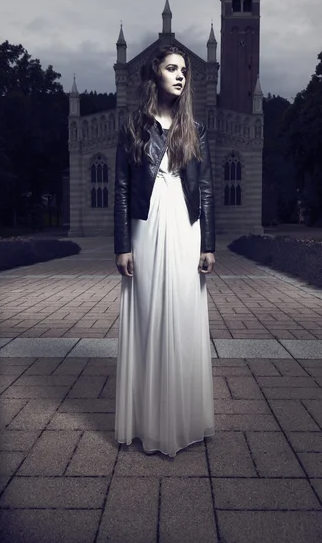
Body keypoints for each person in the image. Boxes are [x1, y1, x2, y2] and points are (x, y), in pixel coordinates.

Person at [114, 44, 215, 458]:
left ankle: (185, 419)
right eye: (172, 68)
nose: (180, 76)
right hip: (146, 223)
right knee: (149, 314)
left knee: (184, 314)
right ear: (154, 74)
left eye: (184, 70)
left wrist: (208, 244)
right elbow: (121, 189)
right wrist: (122, 246)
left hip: (186, 226)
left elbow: (205, 190)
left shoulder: (196, 129)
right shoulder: (134, 127)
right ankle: (149, 422)